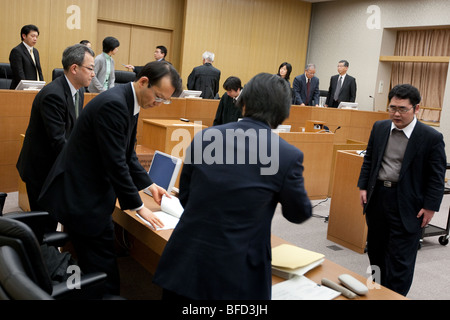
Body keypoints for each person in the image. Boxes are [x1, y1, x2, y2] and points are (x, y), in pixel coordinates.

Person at [153, 73, 312, 300]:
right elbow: (298, 213)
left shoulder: (205, 137)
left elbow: (186, 195)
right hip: (237, 276)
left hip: (185, 264)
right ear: (284, 111)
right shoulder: (285, 154)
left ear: (243, 102)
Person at [39, 61, 183, 296]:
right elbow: (115, 163)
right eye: (158, 97)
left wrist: (149, 184)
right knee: (102, 266)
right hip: (83, 198)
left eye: (165, 100)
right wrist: (138, 207)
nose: (159, 104)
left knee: (95, 260)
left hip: (86, 192)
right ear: (143, 81)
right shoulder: (115, 105)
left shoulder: (129, 101)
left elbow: (127, 155)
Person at [357, 84, 446, 296]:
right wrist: (363, 186)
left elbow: (436, 177)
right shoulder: (379, 128)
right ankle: (377, 292)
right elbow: (369, 159)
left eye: (403, 109)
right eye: (392, 108)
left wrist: (430, 207)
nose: (396, 114)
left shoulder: (431, 137)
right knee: (376, 253)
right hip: (378, 198)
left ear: (416, 109)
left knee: (400, 260)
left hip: (408, 203)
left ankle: (394, 296)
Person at [16, 44, 95, 228]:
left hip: (55, 165)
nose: (93, 74)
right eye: (90, 68)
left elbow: (73, 128)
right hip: (41, 169)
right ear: (74, 68)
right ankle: (39, 255)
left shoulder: (80, 90)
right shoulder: (53, 94)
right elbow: (58, 140)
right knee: (43, 223)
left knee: (53, 217)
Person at [9, 24, 44, 89]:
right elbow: (19, 73)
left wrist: (42, 87)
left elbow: (39, 71)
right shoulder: (16, 51)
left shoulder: (35, 51)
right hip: (21, 90)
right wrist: (26, 88)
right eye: (32, 36)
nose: (35, 39)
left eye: (36, 37)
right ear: (24, 36)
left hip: (35, 88)